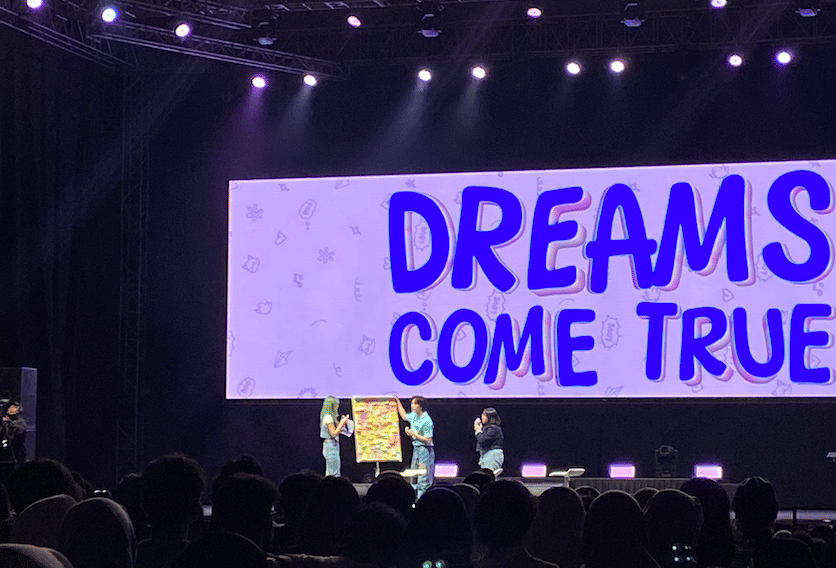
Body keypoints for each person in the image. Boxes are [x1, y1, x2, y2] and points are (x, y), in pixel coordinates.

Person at [396, 396, 434, 499]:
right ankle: (412, 499)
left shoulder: (427, 420)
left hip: (425, 450)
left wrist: (415, 435)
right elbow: (404, 416)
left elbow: (428, 440)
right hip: (416, 448)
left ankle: (422, 500)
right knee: (413, 475)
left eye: (414, 404)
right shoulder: (414, 415)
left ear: (420, 406)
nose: (412, 406)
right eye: (412, 403)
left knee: (423, 478)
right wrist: (397, 401)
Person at [319, 397, 348, 477]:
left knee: (333, 470)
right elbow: (333, 433)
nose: (338, 407)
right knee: (333, 473)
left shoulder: (328, 417)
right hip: (330, 445)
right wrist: (342, 423)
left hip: (331, 445)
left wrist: (341, 422)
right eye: (337, 405)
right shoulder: (328, 418)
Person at [0, 401, 27, 481]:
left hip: (16, 455)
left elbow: (18, 432)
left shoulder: (21, 423)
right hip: (3, 455)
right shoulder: (2, 423)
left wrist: (9, 425)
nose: (12, 409)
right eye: (10, 408)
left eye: (14, 408)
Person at [473, 407, 503, 473]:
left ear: (490, 418)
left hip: (492, 455)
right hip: (487, 454)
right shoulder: (488, 428)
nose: (482, 416)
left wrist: (478, 431)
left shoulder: (493, 429)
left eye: (484, 415)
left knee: (488, 475)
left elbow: (482, 440)